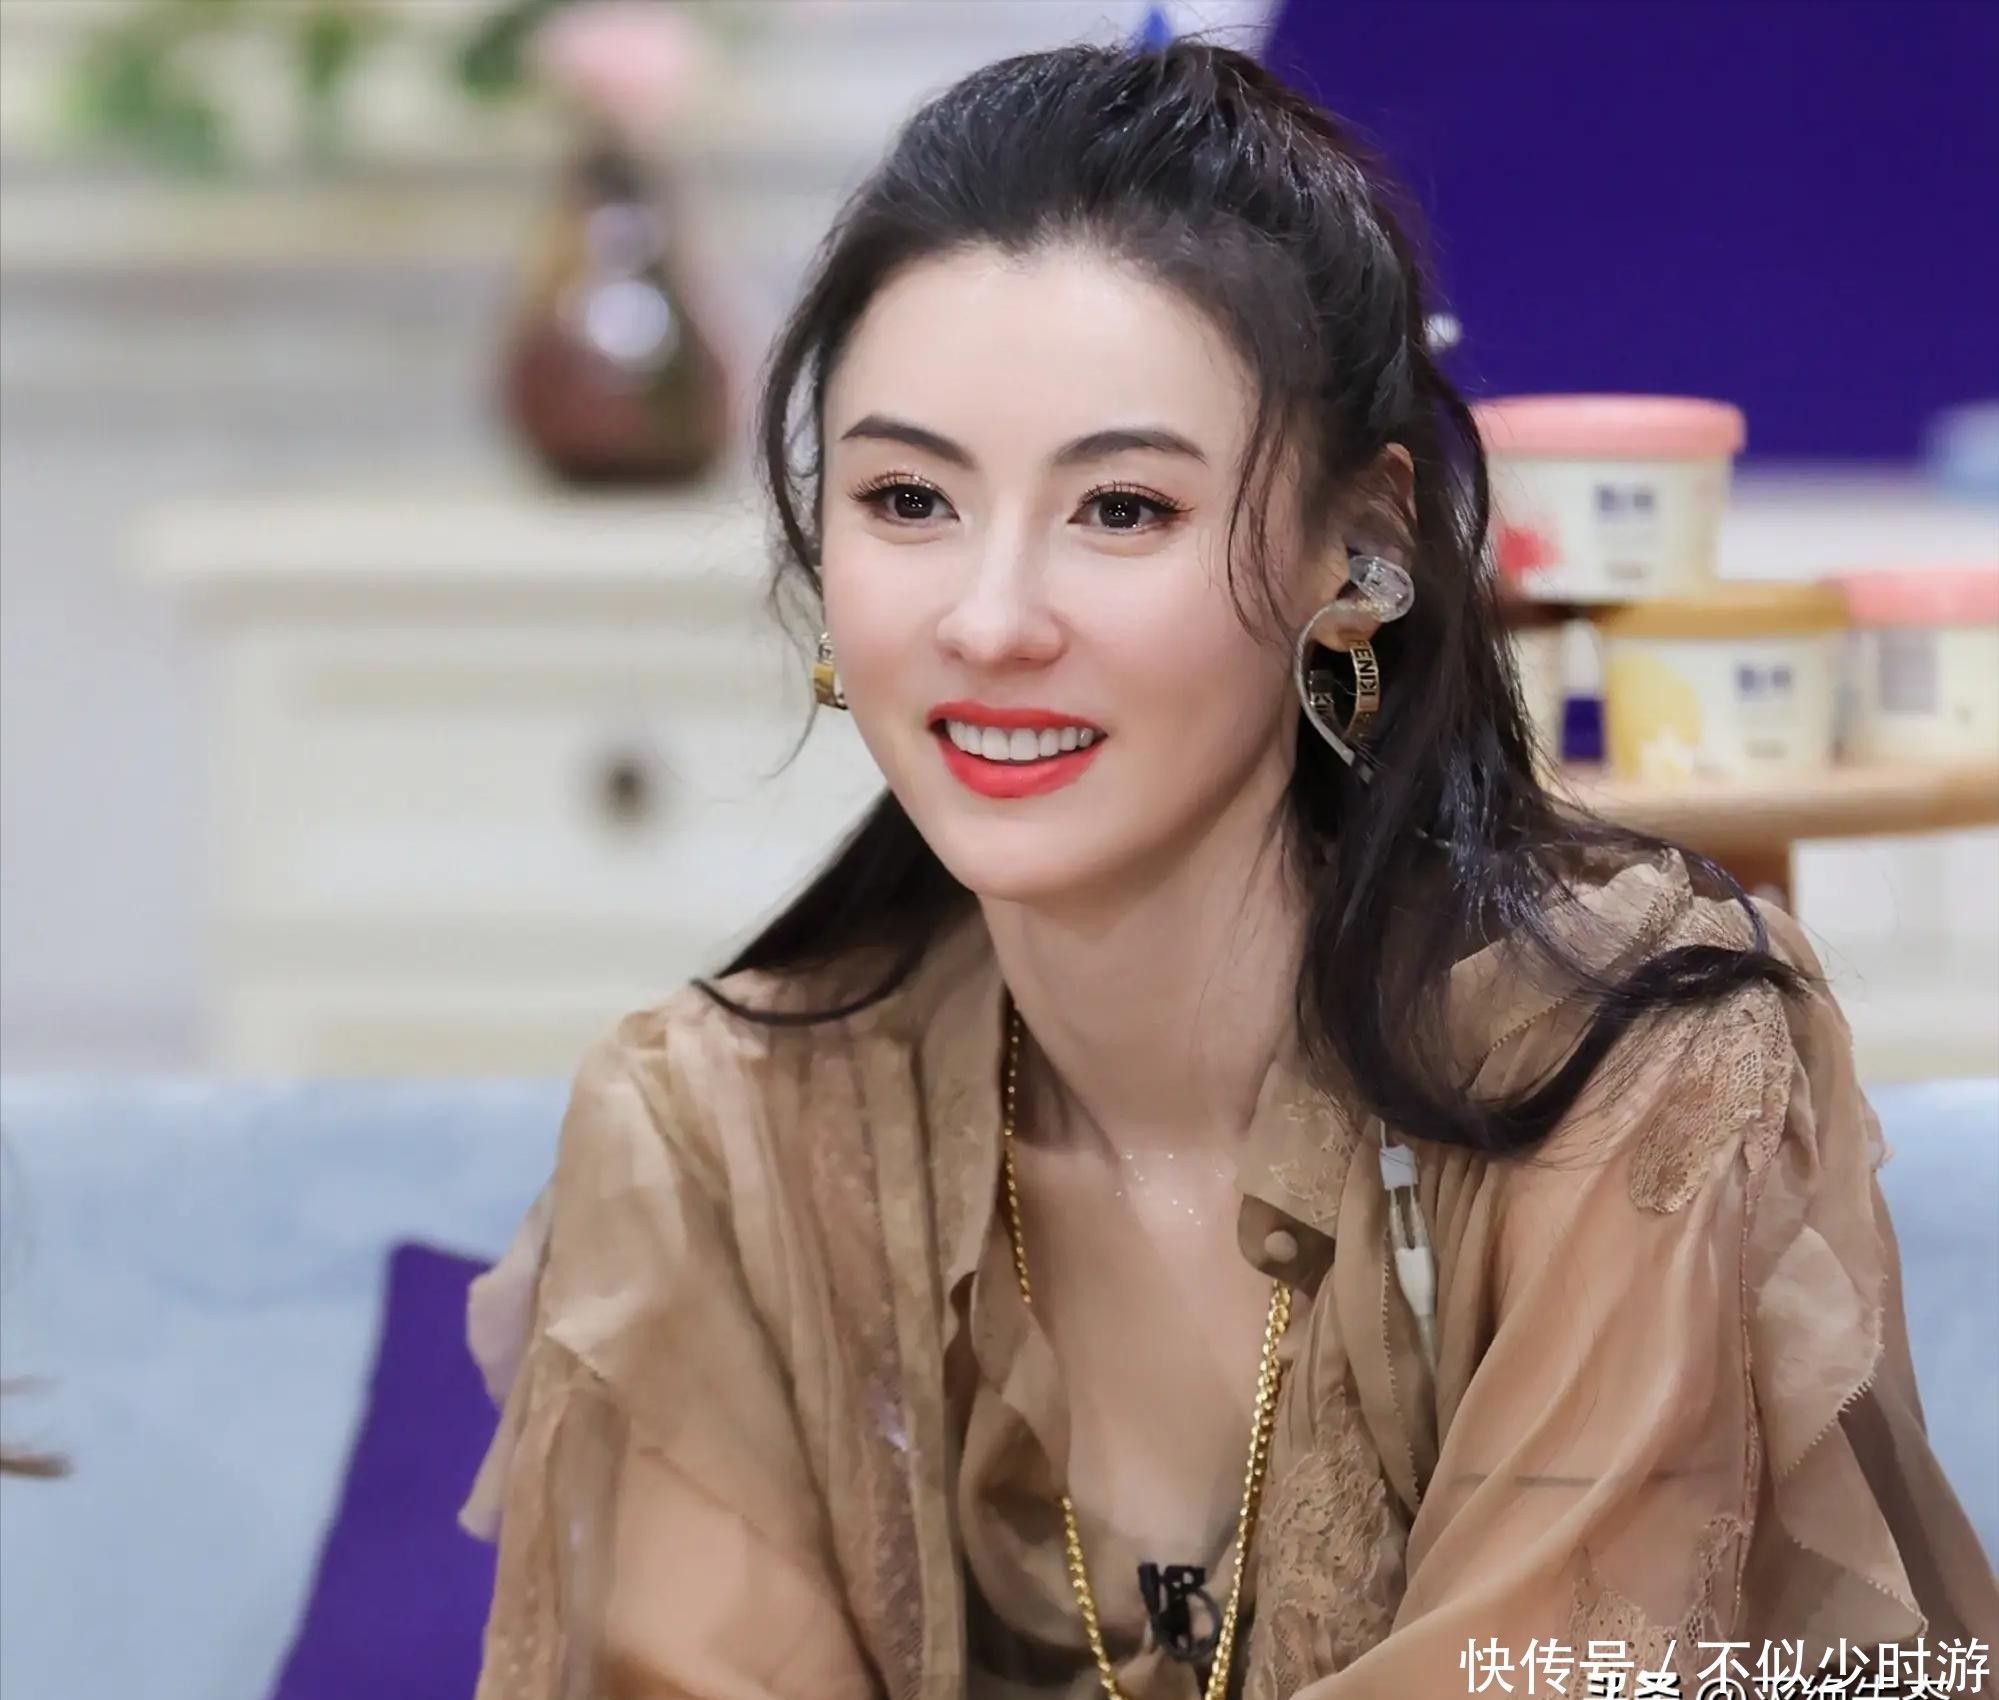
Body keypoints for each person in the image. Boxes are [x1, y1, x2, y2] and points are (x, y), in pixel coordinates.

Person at [460, 38, 1997, 1700]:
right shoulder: (712, 1143)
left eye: (1122, 510)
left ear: (1363, 549)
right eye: (909, 498)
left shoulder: (1627, 1074)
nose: (990, 619)